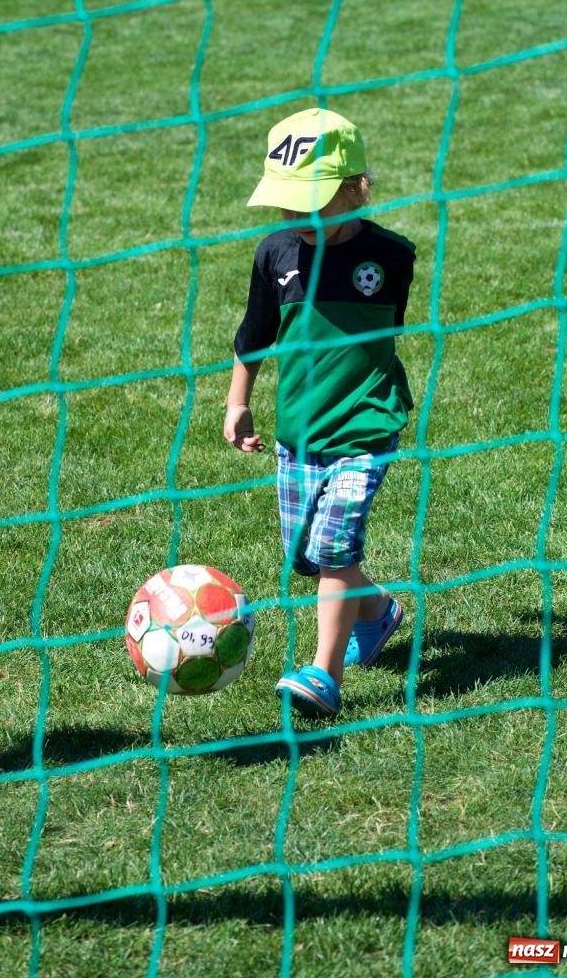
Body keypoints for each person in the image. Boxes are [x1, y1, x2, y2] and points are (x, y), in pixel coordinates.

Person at [223, 106, 416, 719]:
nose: (296, 217)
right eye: (286, 203)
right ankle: (379, 610)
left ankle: (323, 677)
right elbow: (254, 333)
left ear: (356, 189)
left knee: (333, 549)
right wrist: (238, 401)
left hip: (366, 426)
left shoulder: (391, 256)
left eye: (313, 201)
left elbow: (381, 335)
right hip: (297, 433)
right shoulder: (274, 254)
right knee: (309, 556)